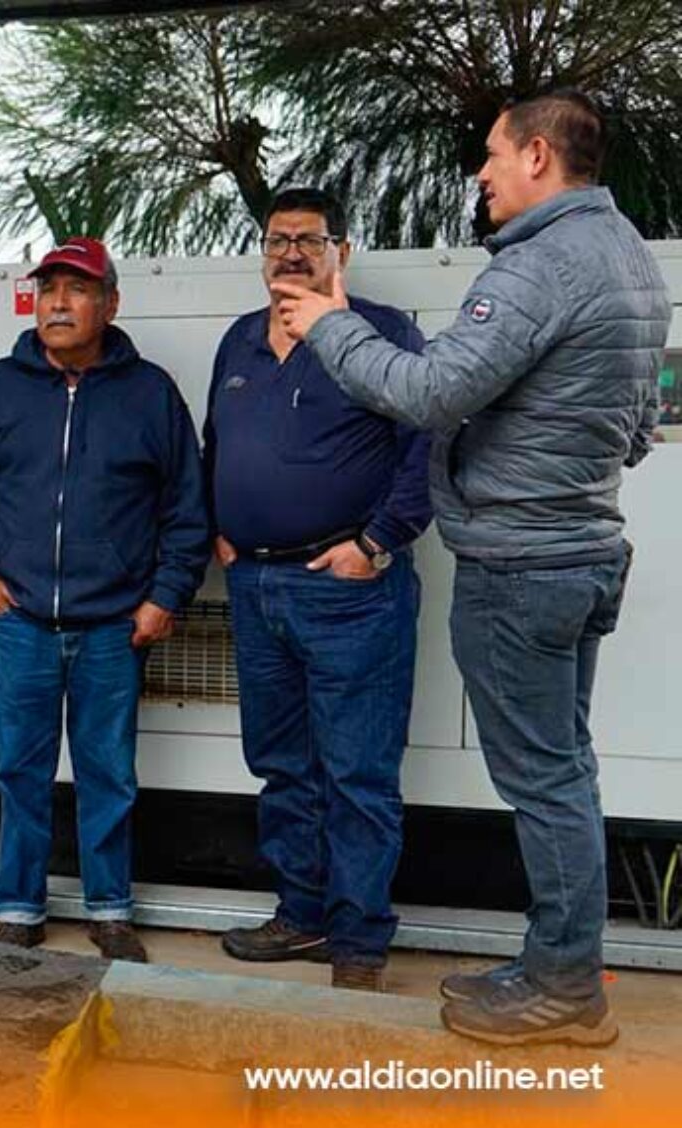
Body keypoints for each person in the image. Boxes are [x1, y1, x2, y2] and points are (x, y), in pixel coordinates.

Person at [274, 90, 669, 1045]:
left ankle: (566, 992)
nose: (480, 174)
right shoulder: (631, 261)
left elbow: (429, 389)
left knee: (545, 781)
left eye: (491, 155)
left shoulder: (543, 263)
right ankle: (554, 965)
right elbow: (638, 434)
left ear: (538, 155)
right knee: (562, 772)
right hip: (578, 554)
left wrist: (331, 323)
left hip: (519, 567)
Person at [0, 237, 210, 962]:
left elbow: (187, 511)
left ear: (110, 304)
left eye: (77, 289)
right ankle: (19, 906)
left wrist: (163, 598)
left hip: (115, 628)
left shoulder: (150, 393)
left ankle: (110, 907)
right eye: (48, 288)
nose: (57, 302)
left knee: (107, 774)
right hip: (19, 623)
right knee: (21, 771)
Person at [204, 189, 433, 993]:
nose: (291, 253)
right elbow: (215, 444)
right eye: (276, 240)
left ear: (344, 249)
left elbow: (426, 451)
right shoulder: (238, 339)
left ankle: (360, 944)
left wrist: (374, 545)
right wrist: (218, 529)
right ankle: (301, 914)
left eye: (309, 240)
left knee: (357, 771)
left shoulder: (383, 332)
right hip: (257, 586)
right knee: (281, 764)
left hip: (349, 593)